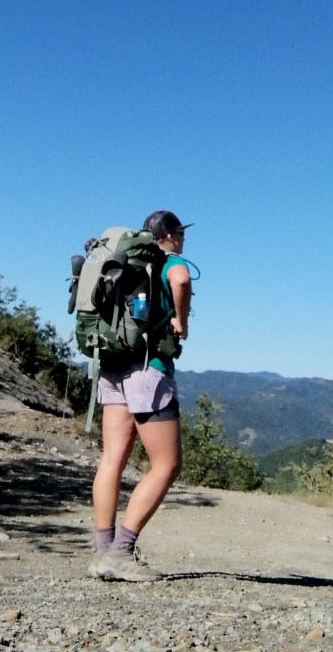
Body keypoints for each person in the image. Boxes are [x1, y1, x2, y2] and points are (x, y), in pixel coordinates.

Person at [88, 210, 193, 581]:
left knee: (112, 458)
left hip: (113, 367)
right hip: (148, 371)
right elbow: (180, 279)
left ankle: (102, 553)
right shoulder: (166, 261)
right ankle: (121, 552)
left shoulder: (126, 262)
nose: (183, 239)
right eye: (180, 233)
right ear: (168, 234)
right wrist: (181, 319)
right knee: (167, 464)